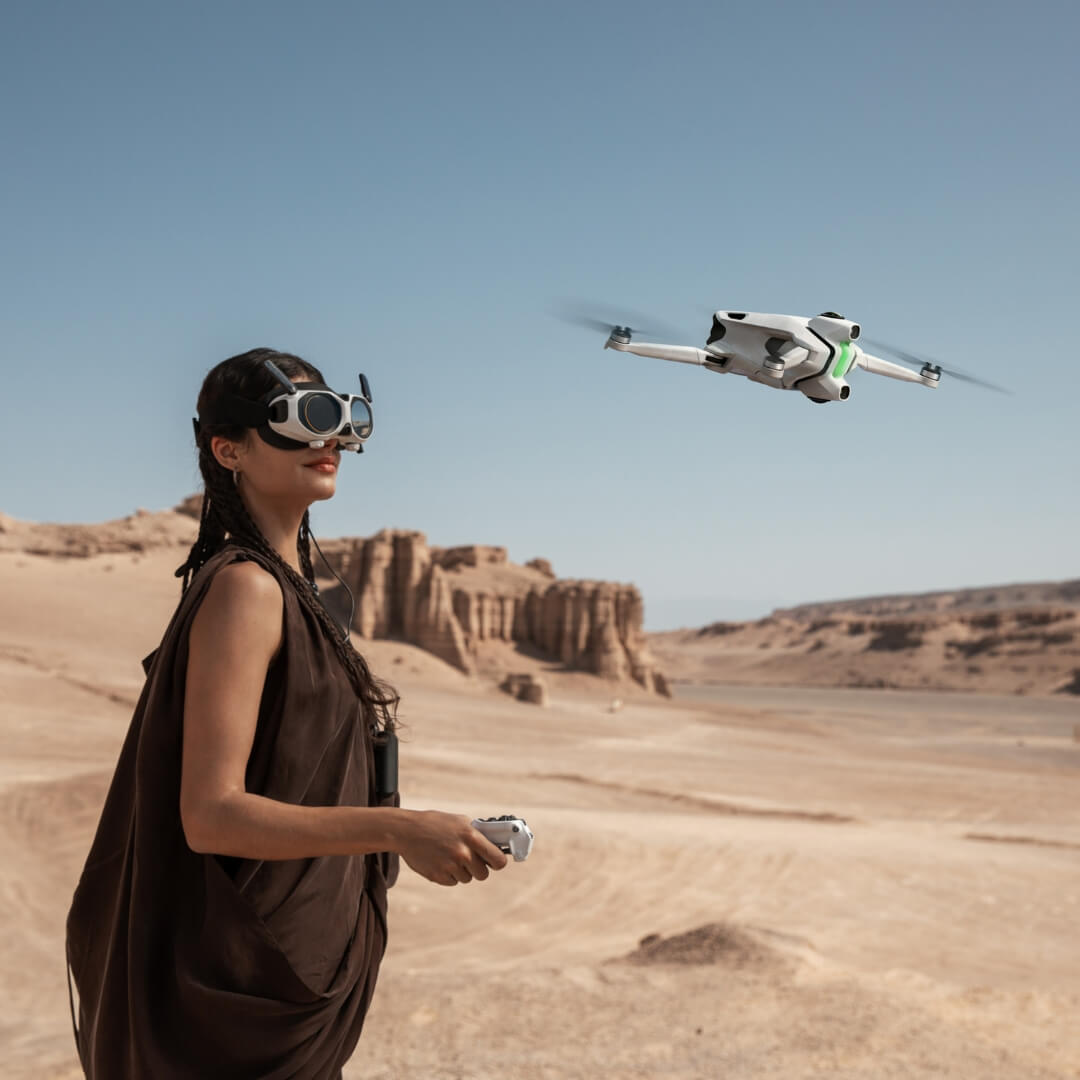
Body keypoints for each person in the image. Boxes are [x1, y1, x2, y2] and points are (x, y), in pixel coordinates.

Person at [65, 348, 508, 1079]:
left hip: (294, 981)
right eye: (303, 420)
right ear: (229, 448)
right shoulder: (246, 590)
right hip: (245, 1002)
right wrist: (401, 829)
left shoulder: (297, 588)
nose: (328, 441)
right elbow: (211, 814)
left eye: (340, 419)